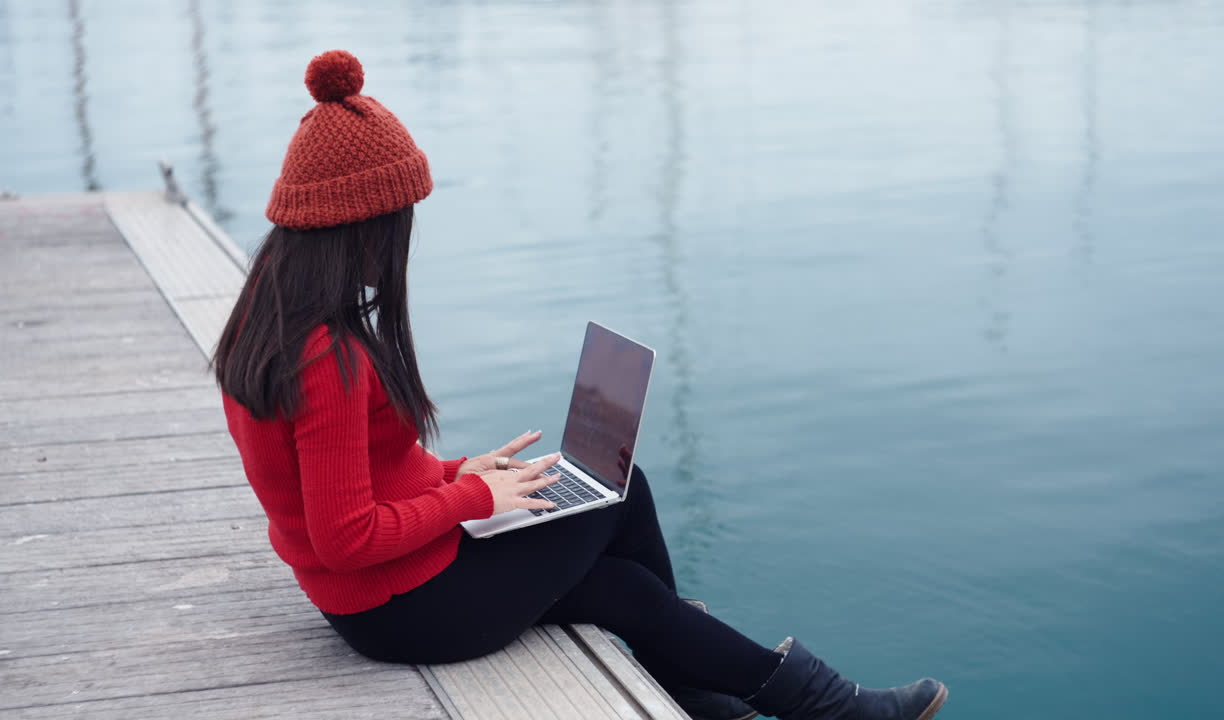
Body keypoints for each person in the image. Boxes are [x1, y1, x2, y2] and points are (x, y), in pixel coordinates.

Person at [213, 49, 948, 720]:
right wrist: (472, 500)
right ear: (361, 227)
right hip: (397, 608)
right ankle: (824, 706)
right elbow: (345, 538)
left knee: (620, 572)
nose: (405, 240)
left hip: (387, 590)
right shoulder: (326, 359)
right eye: (400, 221)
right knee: (617, 495)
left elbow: (352, 478)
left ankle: (715, 697)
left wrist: (457, 472)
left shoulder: (267, 316)